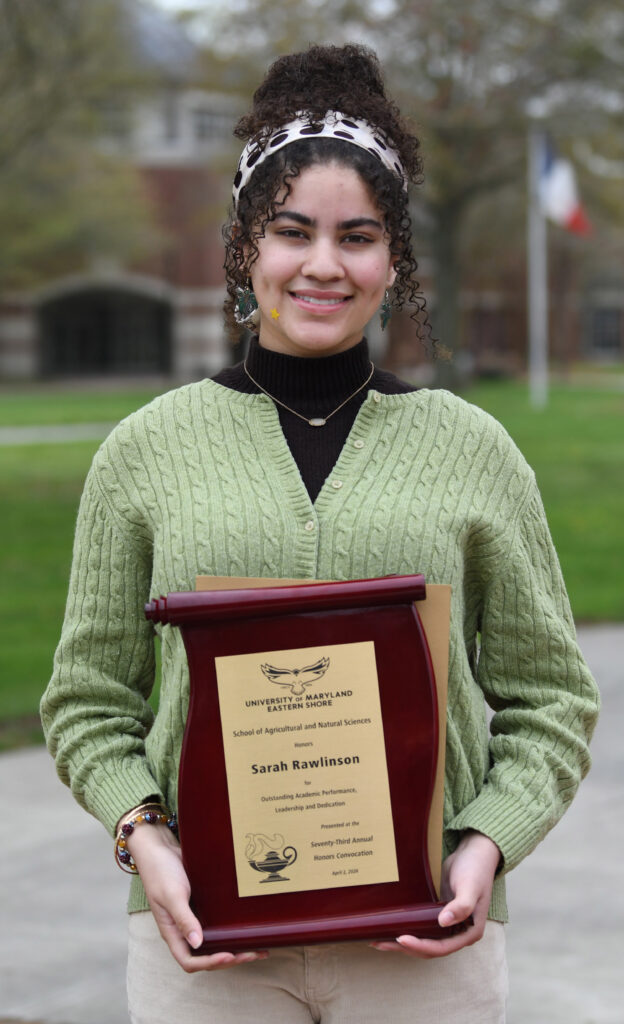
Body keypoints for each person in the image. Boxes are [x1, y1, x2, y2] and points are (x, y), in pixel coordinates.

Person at [41, 44, 599, 1024]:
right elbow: (88, 700)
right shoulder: (145, 450)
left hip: (427, 943)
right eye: (292, 231)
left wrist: (487, 844)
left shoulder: (473, 448)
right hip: (205, 945)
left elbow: (550, 695)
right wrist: (146, 841)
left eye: (359, 236)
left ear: (396, 259)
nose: (324, 265)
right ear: (244, 245)